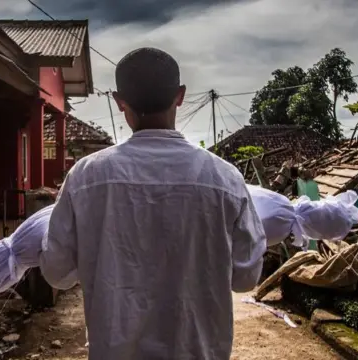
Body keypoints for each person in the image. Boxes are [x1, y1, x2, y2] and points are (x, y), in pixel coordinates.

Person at [39, 47, 267, 360]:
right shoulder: (224, 179)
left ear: (120, 102)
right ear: (181, 96)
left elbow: (57, 272)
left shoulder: (86, 178)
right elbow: (246, 277)